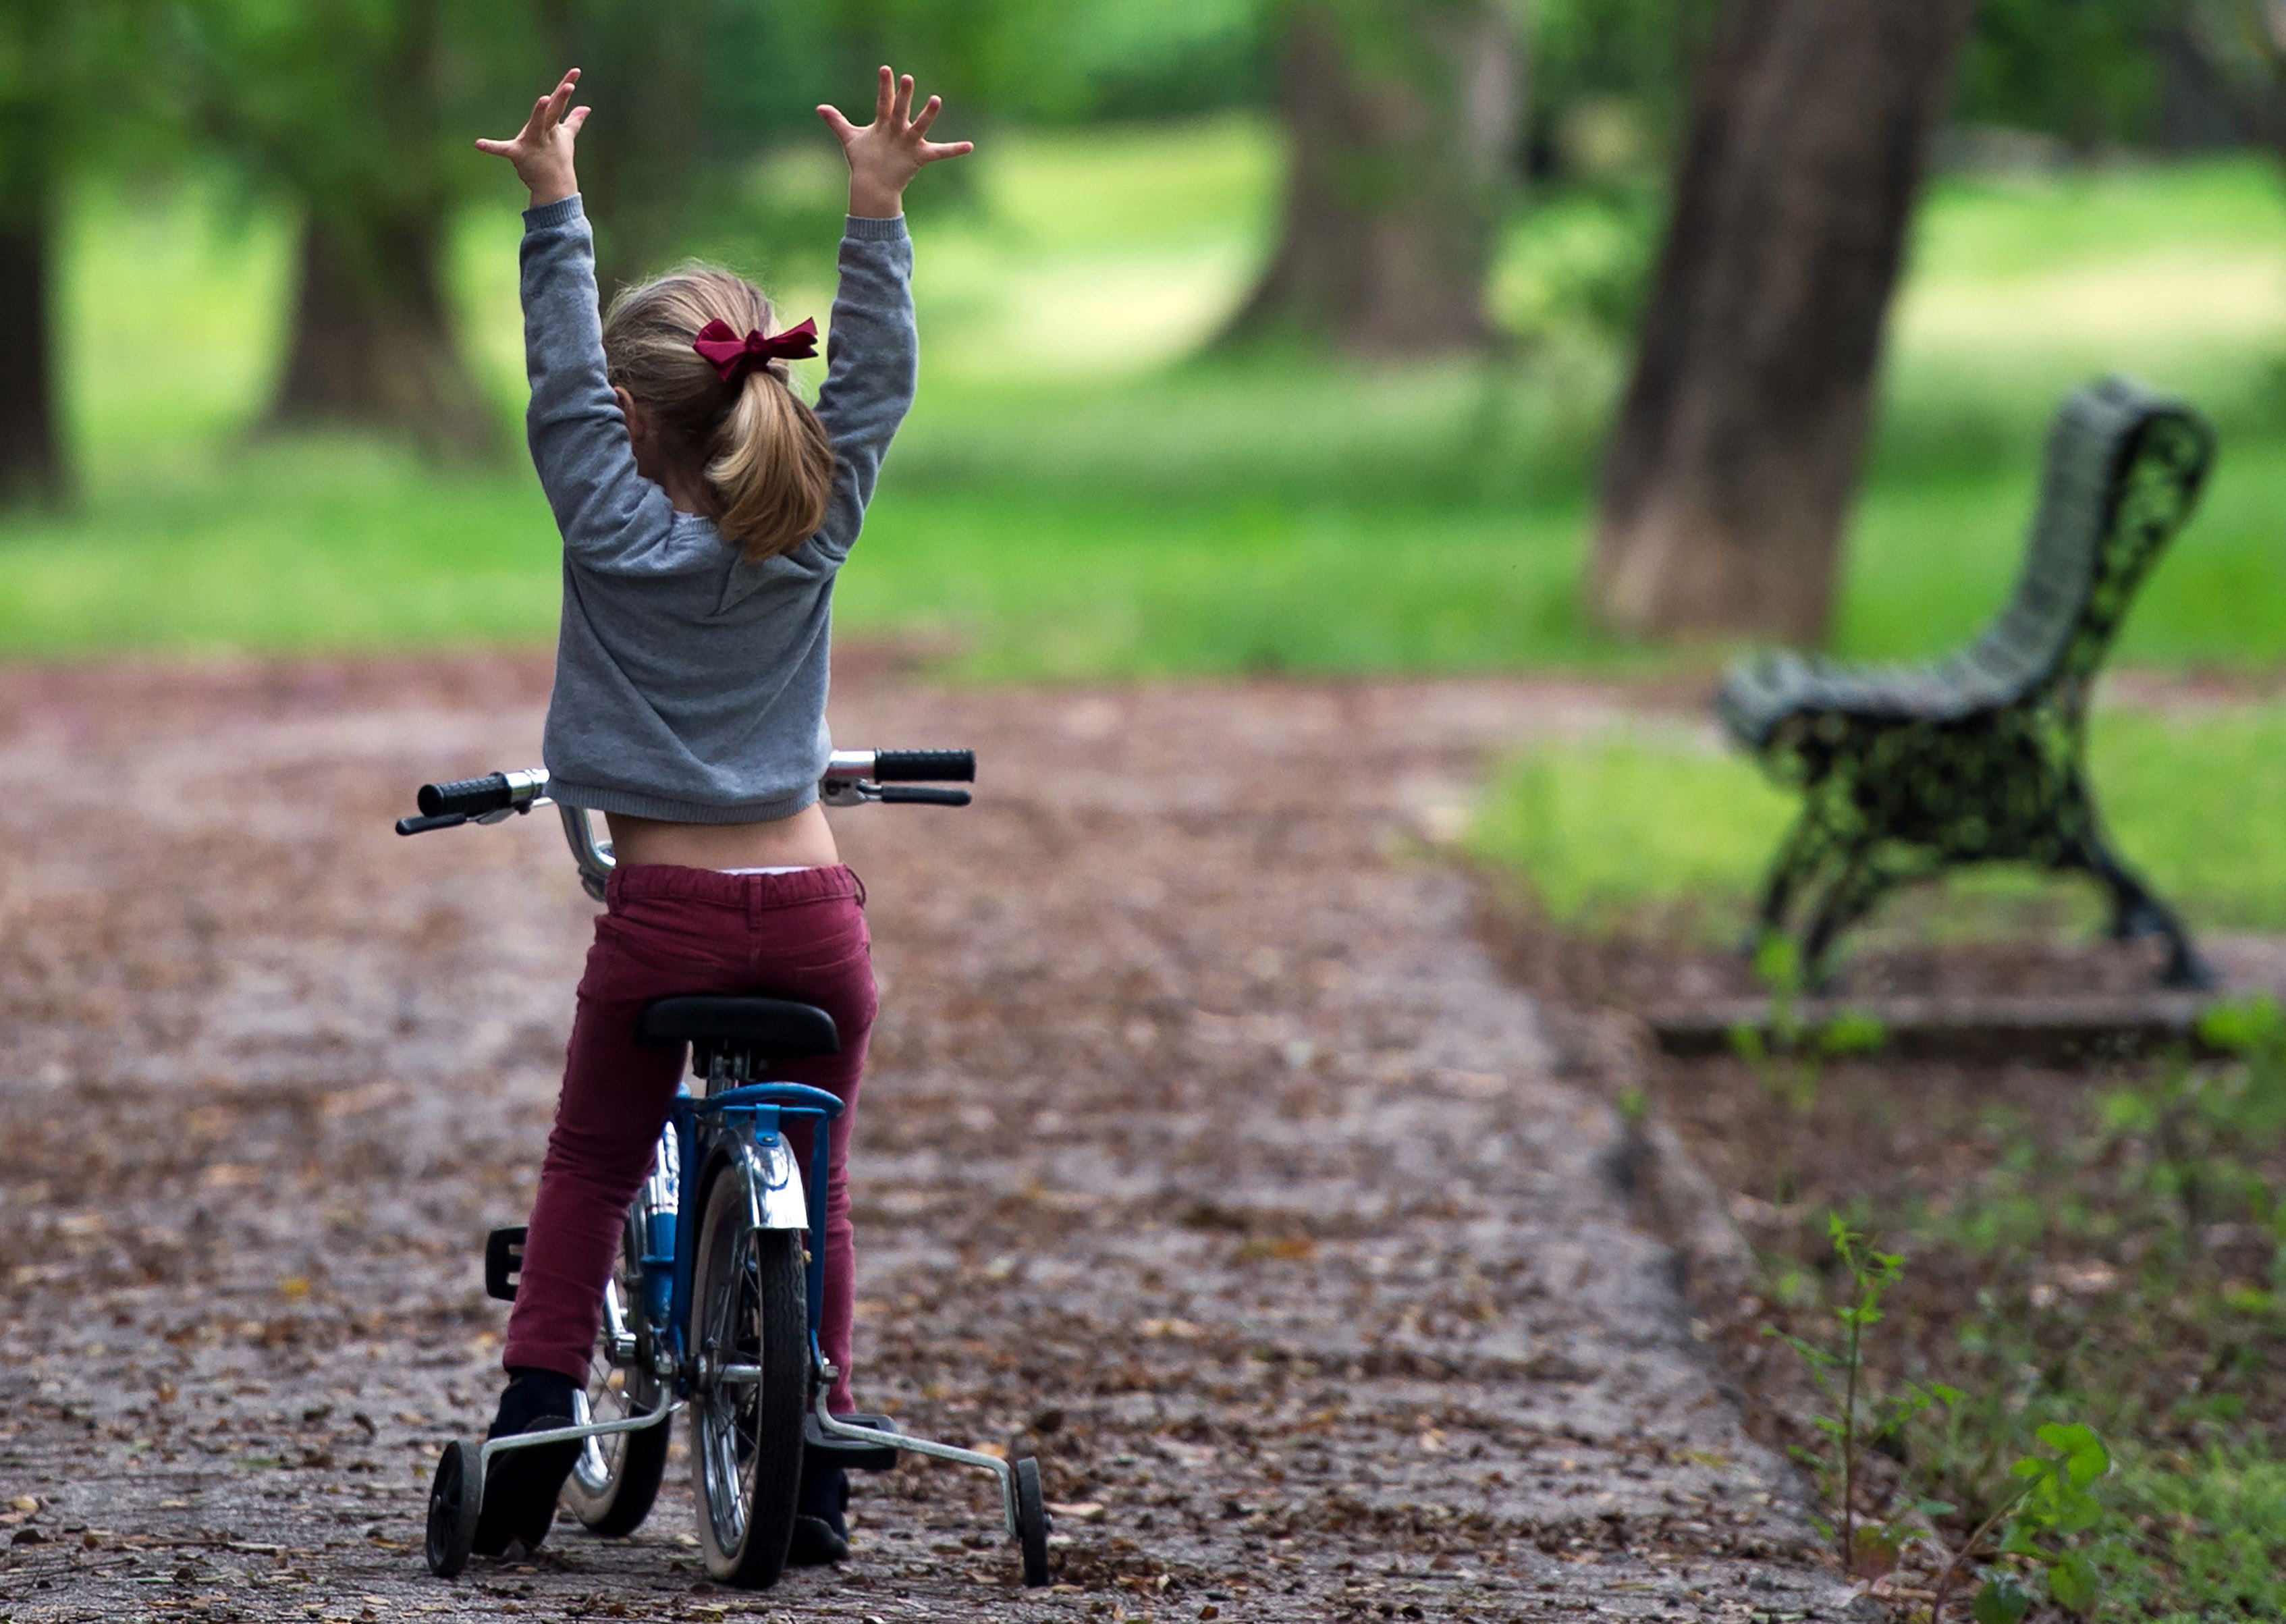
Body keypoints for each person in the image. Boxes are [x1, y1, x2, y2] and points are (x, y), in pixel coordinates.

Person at [467, 63, 971, 1565]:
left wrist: (553, 200)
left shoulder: (609, 528)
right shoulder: (809, 530)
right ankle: (808, 1473)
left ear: (627, 421)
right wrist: (873, 206)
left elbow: (559, 376)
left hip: (665, 912)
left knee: (589, 1163)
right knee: (816, 1178)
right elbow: (870, 388)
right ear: (768, 393)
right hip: (818, 924)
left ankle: (530, 1428)